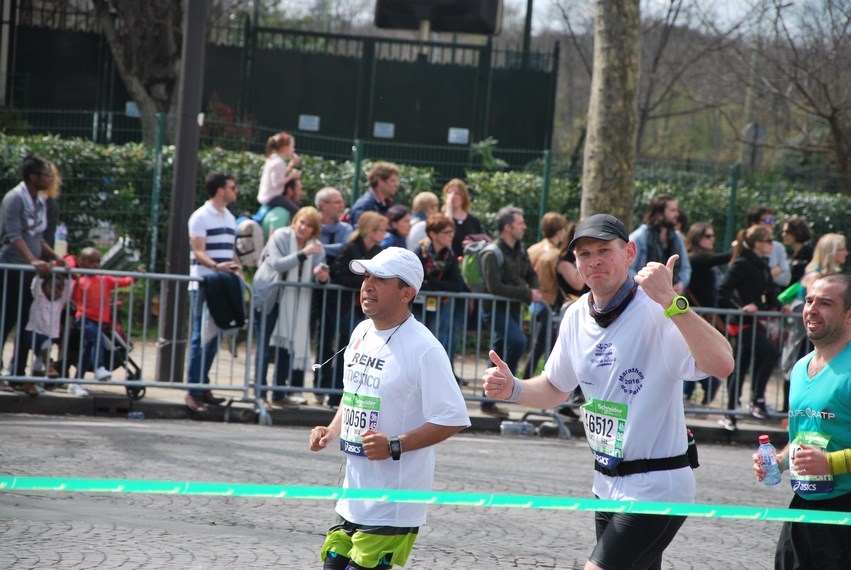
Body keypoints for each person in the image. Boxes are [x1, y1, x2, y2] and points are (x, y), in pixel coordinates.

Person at [483, 213, 735, 570]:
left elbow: (723, 364)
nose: (594, 261)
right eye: (584, 254)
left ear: (629, 253)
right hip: (606, 482)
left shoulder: (655, 309)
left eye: (604, 250)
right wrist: (513, 388)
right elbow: (556, 387)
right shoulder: (574, 315)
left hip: (657, 484)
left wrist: (672, 300)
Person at [309, 246, 470, 570]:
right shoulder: (361, 332)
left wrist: (395, 445)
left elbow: (453, 418)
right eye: (367, 275)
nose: (367, 284)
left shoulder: (424, 348)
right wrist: (332, 428)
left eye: (380, 278)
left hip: (394, 501)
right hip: (352, 494)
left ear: (406, 293)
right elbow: (352, 393)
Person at [752, 274, 851, 569]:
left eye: (825, 303)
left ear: (849, 315)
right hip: (804, 505)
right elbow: (804, 437)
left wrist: (832, 463)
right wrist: (779, 461)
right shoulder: (799, 368)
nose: (812, 309)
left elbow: (826, 457)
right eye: (809, 301)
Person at [0, 155, 67, 390]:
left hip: (31, 270)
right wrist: (33, 260)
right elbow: (14, 234)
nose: (51, 179)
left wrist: (55, 258)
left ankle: (16, 374)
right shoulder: (14, 198)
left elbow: (37, 236)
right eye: (47, 175)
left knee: (27, 323)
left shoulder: (40, 201)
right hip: (13, 267)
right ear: (33, 177)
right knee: (5, 320)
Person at [252, 207, 329, 408]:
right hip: (271, 296)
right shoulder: (280, 236)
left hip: (296, 303)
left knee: (287, 346)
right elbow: (277, 264)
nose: (303, 228)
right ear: (295, 221)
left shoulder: (316, 247)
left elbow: (320, 273)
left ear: (314, 230)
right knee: (265, 346)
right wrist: (304, 254)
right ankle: (260, 392)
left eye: (309, 225)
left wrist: (322, 275)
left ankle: (279, 392)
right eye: (301, 222)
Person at [717, 225, 790, 430]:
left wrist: (779, 304)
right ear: (758, 243)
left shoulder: (762, 264)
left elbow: (768, 290)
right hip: (741, 323)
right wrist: (742, 308)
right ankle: (753, 401)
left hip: (756, 322)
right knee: (768, 353)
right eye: (768, 240)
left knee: (741, 365)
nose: (772, 244)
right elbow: (723, 291)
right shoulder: (742, 263)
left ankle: (732, 411)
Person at [184, 172, 241, 414]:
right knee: (200, 336)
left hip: (223, 283)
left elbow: (230, 252)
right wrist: (217, 267)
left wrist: (236, 269)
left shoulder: (230, 217)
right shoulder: (200, 216)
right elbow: (198, 251)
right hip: (205, 284)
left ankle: (202, 384)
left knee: (215, 336)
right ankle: (193, 391)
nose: (234, 191)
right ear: (220, 190)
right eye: (231, 187)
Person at [480, 206, 541, 419]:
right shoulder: (491, 253)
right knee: (517, 341)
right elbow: (494, 287)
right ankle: (508, 385)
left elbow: (531, 273)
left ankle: (487, 401)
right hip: (495, 310)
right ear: (507, 227)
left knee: (496, 351)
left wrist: (534, 287)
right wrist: (527, 294)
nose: (524, 227)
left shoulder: (520, 249)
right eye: (520, 223)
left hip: (513, 309)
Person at [327, 212, 387, 408]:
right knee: (347, 350)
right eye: (381, 229)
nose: (384, 234)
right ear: (370, 230)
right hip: (346, 307)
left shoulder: (379, 251)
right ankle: (336, 395)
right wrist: (366, 282)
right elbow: (339, 275)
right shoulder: (350, 248)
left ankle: (354, 396)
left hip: (366, 309)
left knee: (363, 354)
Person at [70, 247, 138, 382]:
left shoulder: (105, 279)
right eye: (91, 262)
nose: (96, 265)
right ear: (82, 263)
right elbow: (75, 298)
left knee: (87, 350)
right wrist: (75, 281)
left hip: (99, 321)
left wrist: (134, 278)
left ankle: (76, 382)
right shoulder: (81, 281)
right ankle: (99, 367)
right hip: (85, 319)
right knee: (98, 340)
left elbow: (122, 282)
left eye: (98, 262)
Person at [313, 187, 354, 405]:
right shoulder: (313, 224)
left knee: (334, 336)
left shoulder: (346, 227)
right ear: (323, 205)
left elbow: (344, 248)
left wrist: (320, 249)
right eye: (336, 202)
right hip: (312, 288)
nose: (341, 205)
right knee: (319, 337)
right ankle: (317, 384)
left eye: (341, 201)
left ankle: (331, 387)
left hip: (337, 290)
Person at [683, 222, 731, 406]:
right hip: (694, 314)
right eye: (708, 236)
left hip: (705, 315)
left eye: (713, 236)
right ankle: (706, 384)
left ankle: (696, 390)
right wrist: (740, 248)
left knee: (693, 353)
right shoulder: (694, 258)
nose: (712, 240)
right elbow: (719, 259)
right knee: (689, 353)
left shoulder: (701, 259)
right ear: (697, 238)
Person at [415, 214, 465, 377]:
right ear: (434, 234)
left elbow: (457, 285)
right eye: (447, 232)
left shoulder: (448, 255)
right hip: (416, 305)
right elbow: (416, 280)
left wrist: (433, 283)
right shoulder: (419, 252)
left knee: (433, 339)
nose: (452, 236)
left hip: (438, 304)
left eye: (452, 232)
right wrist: (434, 284)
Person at [523, 212, 569, 379]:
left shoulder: (532, 248)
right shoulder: (554, 254)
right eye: (563, 229)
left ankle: (530, 377)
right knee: (543, 344)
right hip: (547, 302)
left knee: (540, 344)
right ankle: (533, 379)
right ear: (558, 231)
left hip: (533, 301)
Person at [629, 193, 691, 294]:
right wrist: (646, 285)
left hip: (670, 296)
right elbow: (628, 269)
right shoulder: (639, 237)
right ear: (659, 214)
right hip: (643, 296)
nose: (677, 214)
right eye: (672, 210)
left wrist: (681, 284)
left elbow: (685, 268)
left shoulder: (677, 238)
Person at [746, 205, 791, 288]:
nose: (772, 224)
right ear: (754, 224)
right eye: (768, 220)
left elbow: (786, 279)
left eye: (773, 220)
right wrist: (770, 273)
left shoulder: (778, 247)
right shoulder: (742, 246)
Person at [256, 131, 300, 208]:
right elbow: (277, 183)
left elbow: (279, 176)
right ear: (285, 148)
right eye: (292, 147)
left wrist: (290, 166)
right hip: (272, 198)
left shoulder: (274, 159)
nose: (293, 149)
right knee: (295, 210)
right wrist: (292, 176)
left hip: (269, 196)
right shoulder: (278, 162)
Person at [442, 178, 483, 255]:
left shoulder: (474, 221)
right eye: (449, 192)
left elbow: (481, 242)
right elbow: (446, 228)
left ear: (463, 197)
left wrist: (473, 244)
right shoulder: (441, 219)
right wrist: (449, 208)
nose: (453, 196)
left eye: (457, 193)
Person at [260, 175, 303, 240]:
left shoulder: (271, 207)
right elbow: (274, 244)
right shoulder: (281, 213)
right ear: (289, 190)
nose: (302, 193)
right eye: (300, 189)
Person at [781, 216, 813, 285]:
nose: (783, 235)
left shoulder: (810, 253)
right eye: (783, 232)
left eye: (788, 232)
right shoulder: (788, 254)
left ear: (797, 232)